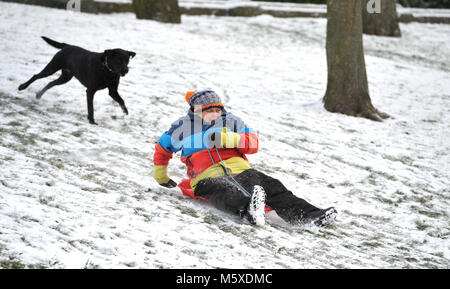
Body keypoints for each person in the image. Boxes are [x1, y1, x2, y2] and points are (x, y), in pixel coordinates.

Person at [153, 90, 337, 226]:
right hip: (205, 176)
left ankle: (312, 215)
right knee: (221, 190)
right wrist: (161, 175)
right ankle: (249, 211)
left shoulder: (232, 122)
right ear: (196, 111)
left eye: (218, 110)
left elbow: (253, 143)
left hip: (241, 169)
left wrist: (229, 138)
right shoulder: (181, 128)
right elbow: (163, 149)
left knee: (274, 187)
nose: (215, 114)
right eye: (209, 110)